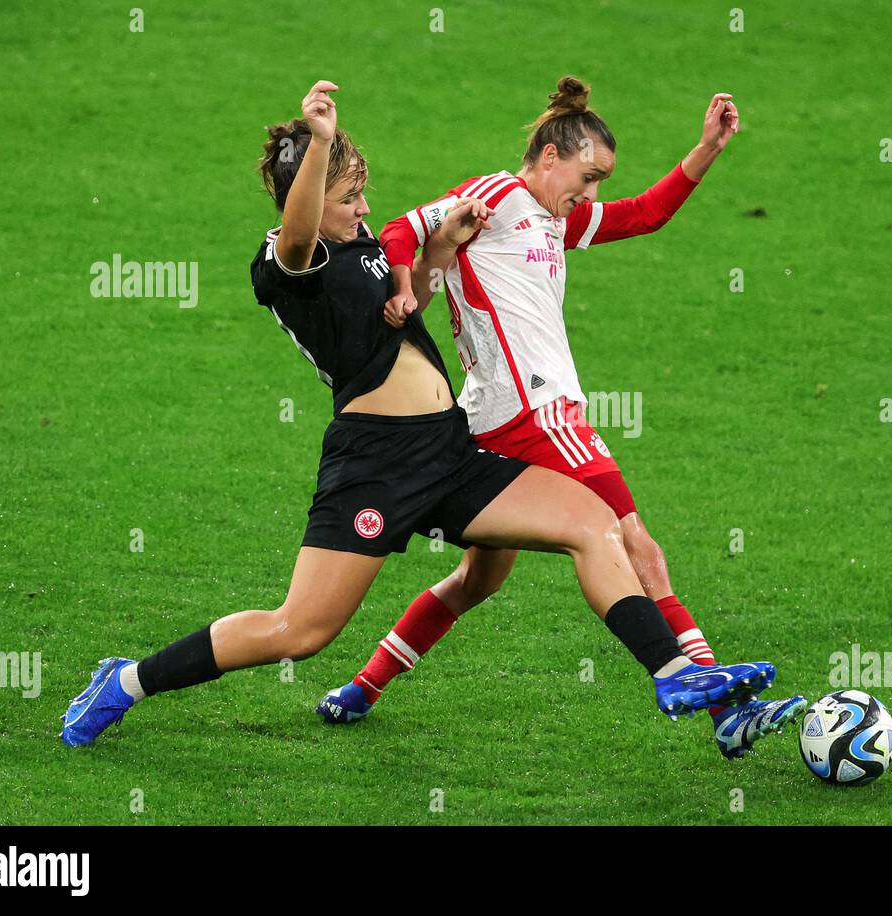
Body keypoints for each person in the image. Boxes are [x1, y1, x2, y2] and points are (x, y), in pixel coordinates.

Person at [59, 80, 776, 747]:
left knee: (593, 524)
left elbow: (415, 304)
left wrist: (438, 250)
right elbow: (303, 225)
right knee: (299, 629)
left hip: (448, 448)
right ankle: (127, 679)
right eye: (349, 196)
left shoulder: (363, 247)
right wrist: (316, 143)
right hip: (376, 464)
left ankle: (673, 671)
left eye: (364, 193)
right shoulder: (288, 262)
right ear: (305, 198)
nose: (364, 208)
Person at [316, 77, 804, 759]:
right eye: (588, 174)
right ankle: (720, 705)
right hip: (537, 414)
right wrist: (403, 285)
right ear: (549, 156)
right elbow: (403, 227)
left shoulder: (554, 219)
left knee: (479, 578)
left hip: (491, 420)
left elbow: (644, 215)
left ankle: (363, 688)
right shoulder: (500, 197)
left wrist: (705, 151)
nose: (593, 192)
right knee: (638, 547)